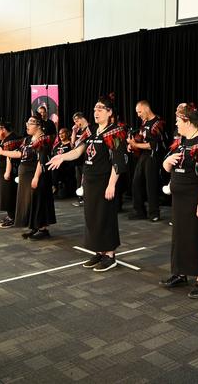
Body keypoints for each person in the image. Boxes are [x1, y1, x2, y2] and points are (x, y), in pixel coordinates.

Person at [48, 95, 129, 272]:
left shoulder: (115, 132)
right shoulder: (92, 130)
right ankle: (100, 251)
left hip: (104, 182)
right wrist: (62, 156)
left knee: (105, 217)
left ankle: (110, 254)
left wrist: (111, 184)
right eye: (94, 109)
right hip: (90, 182)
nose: (96, 112)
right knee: (92, 218)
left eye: (100, 108)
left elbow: (118, 161)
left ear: (109, 112)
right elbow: (78, 152)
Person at [160, 103, 198, 299]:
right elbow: (169, 165)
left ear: (187, 121)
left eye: (178, 120)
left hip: (195, 198)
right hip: (179, 198)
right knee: (180, 235)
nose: (176, 123)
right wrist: (166, 163)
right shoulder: (182, 140)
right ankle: (181, 272)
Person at [0, 115, 55, 239]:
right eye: (27, 122)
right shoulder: (27, 140)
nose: (27, 125)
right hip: (26, 175)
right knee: (29, 202)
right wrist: (2, 152)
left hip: (36, 174)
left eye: (31, 123)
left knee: (38, 201)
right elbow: (19, 154)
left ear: (39, 126)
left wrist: (36, 177)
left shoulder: (44, 139)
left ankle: (42, 229)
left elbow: (41, 160)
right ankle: (34, 227)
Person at [127, 100, 166, 221]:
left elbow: (154, 145)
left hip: (153, 156)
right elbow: (141, 138)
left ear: (146, 109)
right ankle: (139, 211)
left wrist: (135, 145)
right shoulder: (144, 122)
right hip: (144, 155)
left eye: (139, 111)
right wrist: (132, 145)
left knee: (151, 184)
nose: (138, 114)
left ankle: (154, 213)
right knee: (136, 182)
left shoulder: (158, 123)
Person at [70, 112, 91, 206]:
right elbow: (72, 145)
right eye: (74, 121)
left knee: (85, 179)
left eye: (77, 120)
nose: (76, 122)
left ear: (82, 118)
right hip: (78, 159)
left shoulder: (89, 129)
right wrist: (74, 132)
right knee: (79, 179)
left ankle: (87, 198)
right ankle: (81, 198)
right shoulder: (78, 130)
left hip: (87, 158)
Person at [50, 128, 77, 198]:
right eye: (59, 134)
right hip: (57, 167)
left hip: (67, 166)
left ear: (67, 134)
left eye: (62, 133)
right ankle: (53, 186)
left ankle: (55, 186)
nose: (60, 135)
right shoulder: (57, 145)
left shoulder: (71, 144)